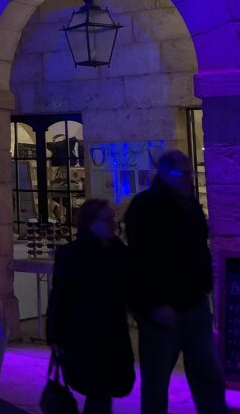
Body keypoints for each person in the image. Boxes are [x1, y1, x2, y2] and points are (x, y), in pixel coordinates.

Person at [124, 149, 228, 414]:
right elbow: (142, 260)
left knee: (209, 376)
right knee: (157, 382)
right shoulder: (147, 206)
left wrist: (204, 284)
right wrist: (154, 302)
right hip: (162, 311)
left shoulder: (189, 205)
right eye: (180, 172)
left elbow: (198, 249)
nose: (187, 177)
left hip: (195, 303)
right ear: (165, 173)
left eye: (188, 172)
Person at [47, 199, 134, 414]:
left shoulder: (119, 253)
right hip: (85, 334)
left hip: (111, 332)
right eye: (107, 220)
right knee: (99, 391)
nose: (113, 224)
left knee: (101, 391)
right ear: (91, 223)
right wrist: (56, 335)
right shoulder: (73, 254)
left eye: (113, 219)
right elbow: (60, 296)